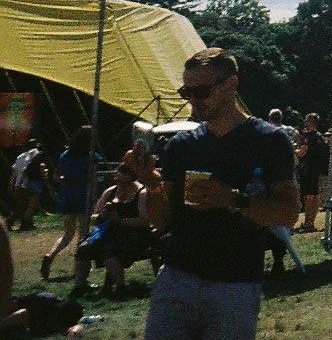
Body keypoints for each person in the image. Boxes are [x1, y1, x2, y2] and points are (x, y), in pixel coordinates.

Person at [135, 47, 299, 340]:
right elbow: (161, 222)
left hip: (235, 285)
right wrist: (151, 182)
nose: (194, 100)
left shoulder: (270, 141)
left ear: (232, 84)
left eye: (202, 91)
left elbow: (288, 213)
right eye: (188, 92)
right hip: (176, 278)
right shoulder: (181, 145)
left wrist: (232, 199)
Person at [71, 161, 152, 296]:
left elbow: (144, 221)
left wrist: (119, 220)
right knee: (83, 248)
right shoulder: (110, 191)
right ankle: (80, 286)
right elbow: (94, 216)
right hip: (108, 231)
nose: (117, 179)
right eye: (116, 176)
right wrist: (102, 215)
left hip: (133, 233)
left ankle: (120, 287)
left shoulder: (141, 192)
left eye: (120, 176)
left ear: (130, 176)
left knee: (109, 249)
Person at [42, 128, 100, 282]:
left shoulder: (65, 155)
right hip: (83, 195)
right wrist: (94, 196)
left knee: (68, 234)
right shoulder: (90, 156)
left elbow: (57, 177)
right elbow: (94, 176)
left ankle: (50, 255)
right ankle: (78, 268)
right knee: (83, 234)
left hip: (68, 195)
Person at [295, 113, 327, 233]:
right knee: (315, 195)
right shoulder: (320, 136)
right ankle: (311, 222)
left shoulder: (306, 137)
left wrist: (293, 150)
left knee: (308, 196)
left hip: (307, 168)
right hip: (317, 169)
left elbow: (302, 152)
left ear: (308, 123)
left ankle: (308, 223)